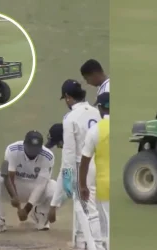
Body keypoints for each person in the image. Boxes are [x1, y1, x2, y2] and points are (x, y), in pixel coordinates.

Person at [55, 79, 104, 250]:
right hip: (100, 162)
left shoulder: (70, 118)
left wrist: (67, 178)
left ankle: (95, 245)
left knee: (85, 208)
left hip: (82, 166)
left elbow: (68, 152)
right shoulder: (96, 111)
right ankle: (86, 242)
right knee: (95, 206)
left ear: (68, 97)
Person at [0, 131, 56, 234]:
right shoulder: (12, 149)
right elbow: (9, 176)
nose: (32, 151)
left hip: (34, 187)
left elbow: (41, 185)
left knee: (55, 188)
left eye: (36, 149)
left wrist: (26, 209)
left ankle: (40, 214)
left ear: (40, 148)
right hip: (14, 186)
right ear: (24, 144)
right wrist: (14, 197)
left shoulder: (48, 156)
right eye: (30, 147)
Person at [45, 123, 103, 249]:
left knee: (83, 206)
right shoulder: (82, 138)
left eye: (58, 143)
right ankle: (84, 241)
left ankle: (90, 244)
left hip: (90, 174)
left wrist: (53, 206)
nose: (58, 146)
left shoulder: (70, 150)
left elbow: (65, 175)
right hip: (97, 172)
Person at [79, 92, 110, 250]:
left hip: (104, 185)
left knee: (105, 227)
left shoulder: (95, 130)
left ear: (100, 108)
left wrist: (83, 186)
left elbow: (84, 161)